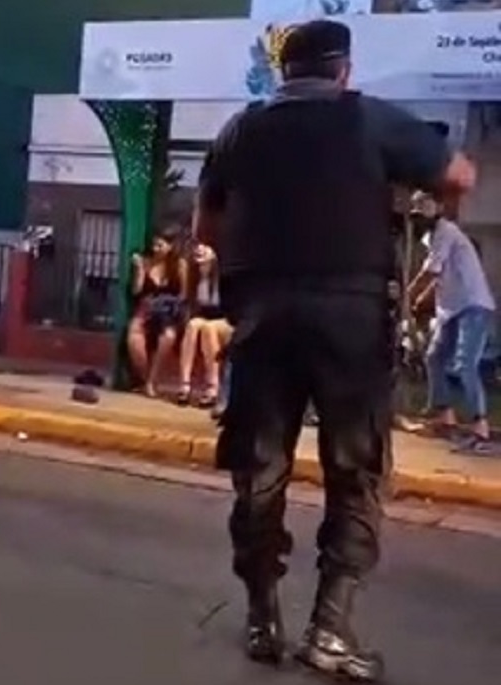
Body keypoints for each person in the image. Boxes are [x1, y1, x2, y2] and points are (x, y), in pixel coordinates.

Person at [194, 19, 477, 680]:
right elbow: (459, 175)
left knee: (260, 469)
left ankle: (262, 617)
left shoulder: (242, 129)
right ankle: (329, 627)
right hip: (350, 321)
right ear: (343, 69)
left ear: (283, 71)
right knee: (355, 471)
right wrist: (400, 194)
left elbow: (207, 225)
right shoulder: (369, 119)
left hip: (263, 316)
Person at [407, 191, 496, 453]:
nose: (420, 217)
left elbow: (431, 271)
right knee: (435, 357)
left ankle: (480, 428)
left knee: (465, 364)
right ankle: (445, 415)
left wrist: (407, 295)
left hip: (472, 305)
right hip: (451, 309)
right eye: (417, 212)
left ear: (437, 210)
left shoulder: (446, 231)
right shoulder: (432, 237)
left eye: (424, 210)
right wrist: (420, 298)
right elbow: (438, 275)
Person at [125, 229, 189, 397]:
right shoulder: (146, 262)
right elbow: (136, 291)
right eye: (154, 245)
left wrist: (173, 308)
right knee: (134, 336)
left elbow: (184, 294)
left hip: (168, 310)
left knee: (168, 337)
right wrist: (140, 270)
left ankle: (152, 381)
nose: (156, 249)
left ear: (170, 246)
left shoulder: (179, 264)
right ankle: (145, 377)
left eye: (160, 245)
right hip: (147, 307)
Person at [177, 243, 231, 407]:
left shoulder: (223, 276)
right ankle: (184, 384)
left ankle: (212, 386)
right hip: (206, 316)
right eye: (197, 246)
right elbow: (190, 304)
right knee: (192, 326)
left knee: (209, 328)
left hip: (227, 318)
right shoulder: (194, 275)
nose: (199, 249)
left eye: (205, 246)